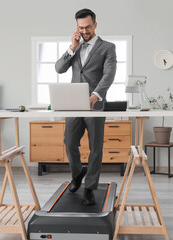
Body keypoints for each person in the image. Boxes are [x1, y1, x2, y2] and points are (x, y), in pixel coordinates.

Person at [55, 8, 117, 205]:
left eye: (88, 27)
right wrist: (72, 47)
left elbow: (108, 74)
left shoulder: (108, 47)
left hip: (95, 105)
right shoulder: (75, 48)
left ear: (95, 25)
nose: (84, 31)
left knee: (95, 148)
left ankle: (90, 187)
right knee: (70, 143)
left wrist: (96, 94)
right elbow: (59, 68)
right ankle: (78, 173)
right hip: (74, 105)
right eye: (80, 27)